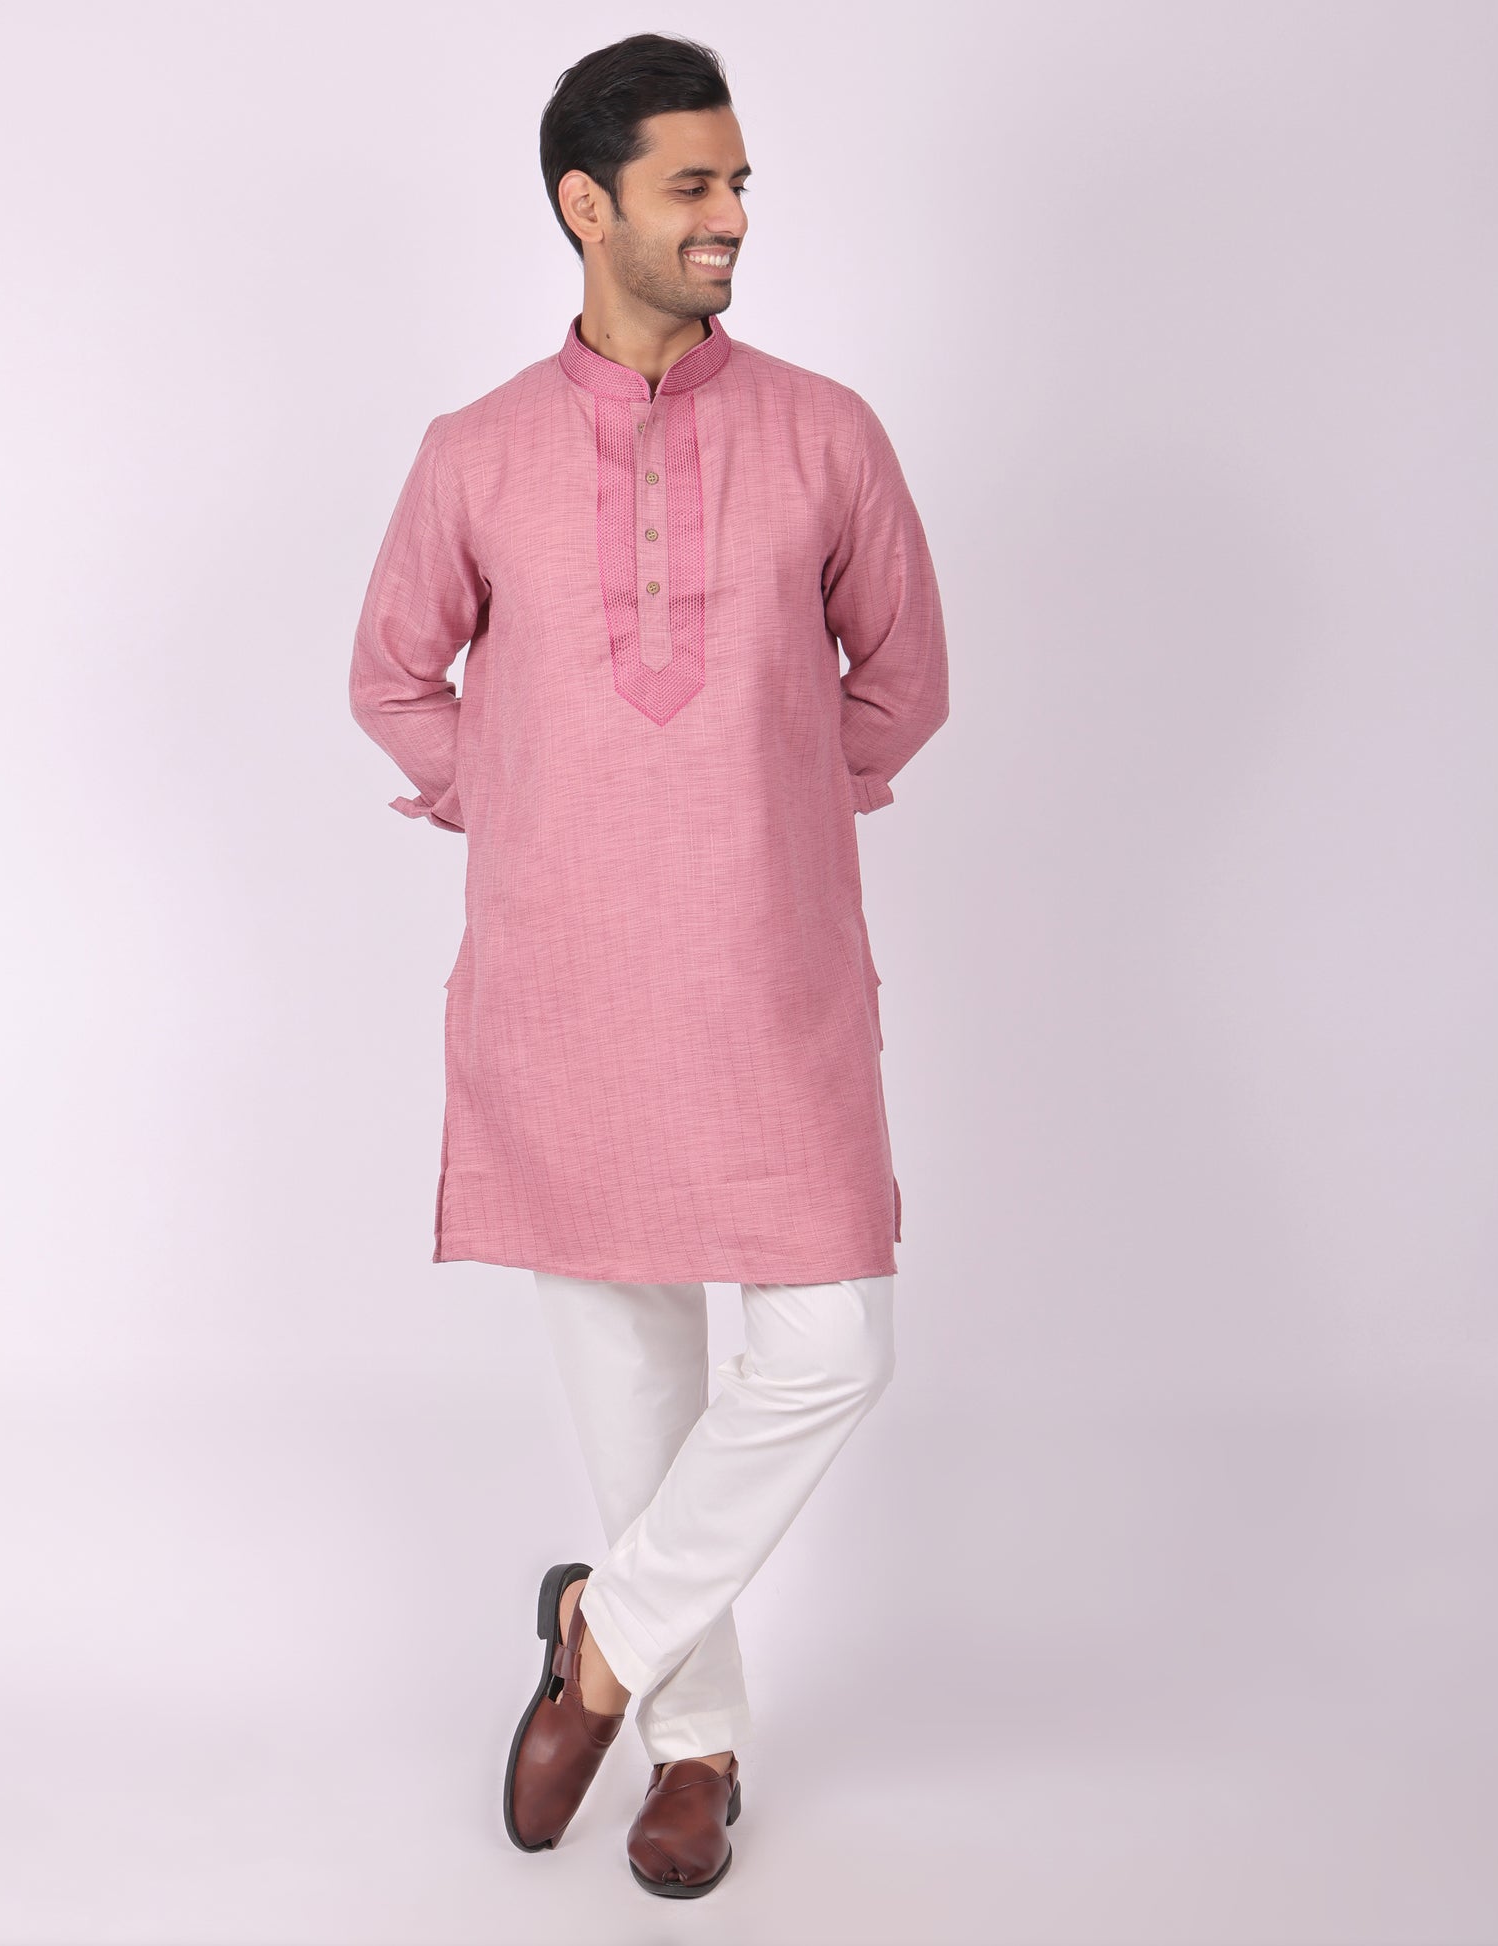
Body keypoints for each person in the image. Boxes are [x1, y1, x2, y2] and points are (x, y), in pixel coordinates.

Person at [349, 32, 948, 1899]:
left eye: (740, 182)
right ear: (584, 205)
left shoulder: (827, 433)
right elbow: (392, 678)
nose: (732, 216)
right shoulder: (473, 454)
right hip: (568, 987)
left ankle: (597, 1638)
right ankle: (696, 1752)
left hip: (772, 975)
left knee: (828, 1345)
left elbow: (901, 679)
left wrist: (768, 803)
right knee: (637, 1395)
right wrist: (527, 808)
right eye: (694, 184)